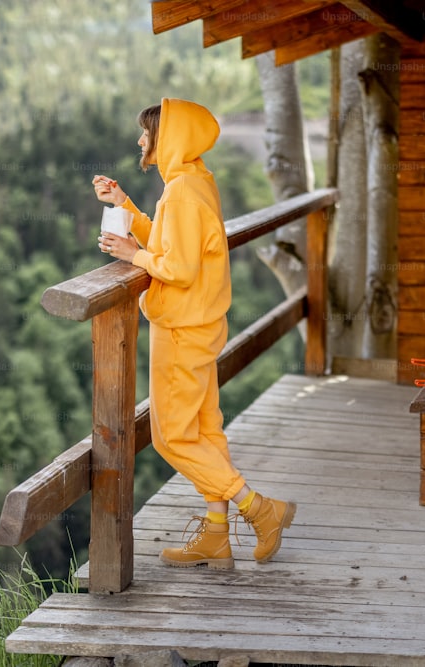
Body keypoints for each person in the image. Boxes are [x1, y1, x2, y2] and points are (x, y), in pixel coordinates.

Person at [92, 98, 296, 569]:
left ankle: (259, 510)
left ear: (169, 139)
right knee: (204, 430)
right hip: (202, 326)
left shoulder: (182, 192)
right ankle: (216, 535)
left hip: (181, 329)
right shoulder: (195, 182)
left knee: (172, 437)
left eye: (148, 134)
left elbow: (175, 267)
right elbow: (171, 243)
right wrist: (126, 207)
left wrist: (131, 255)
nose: (141, 141)